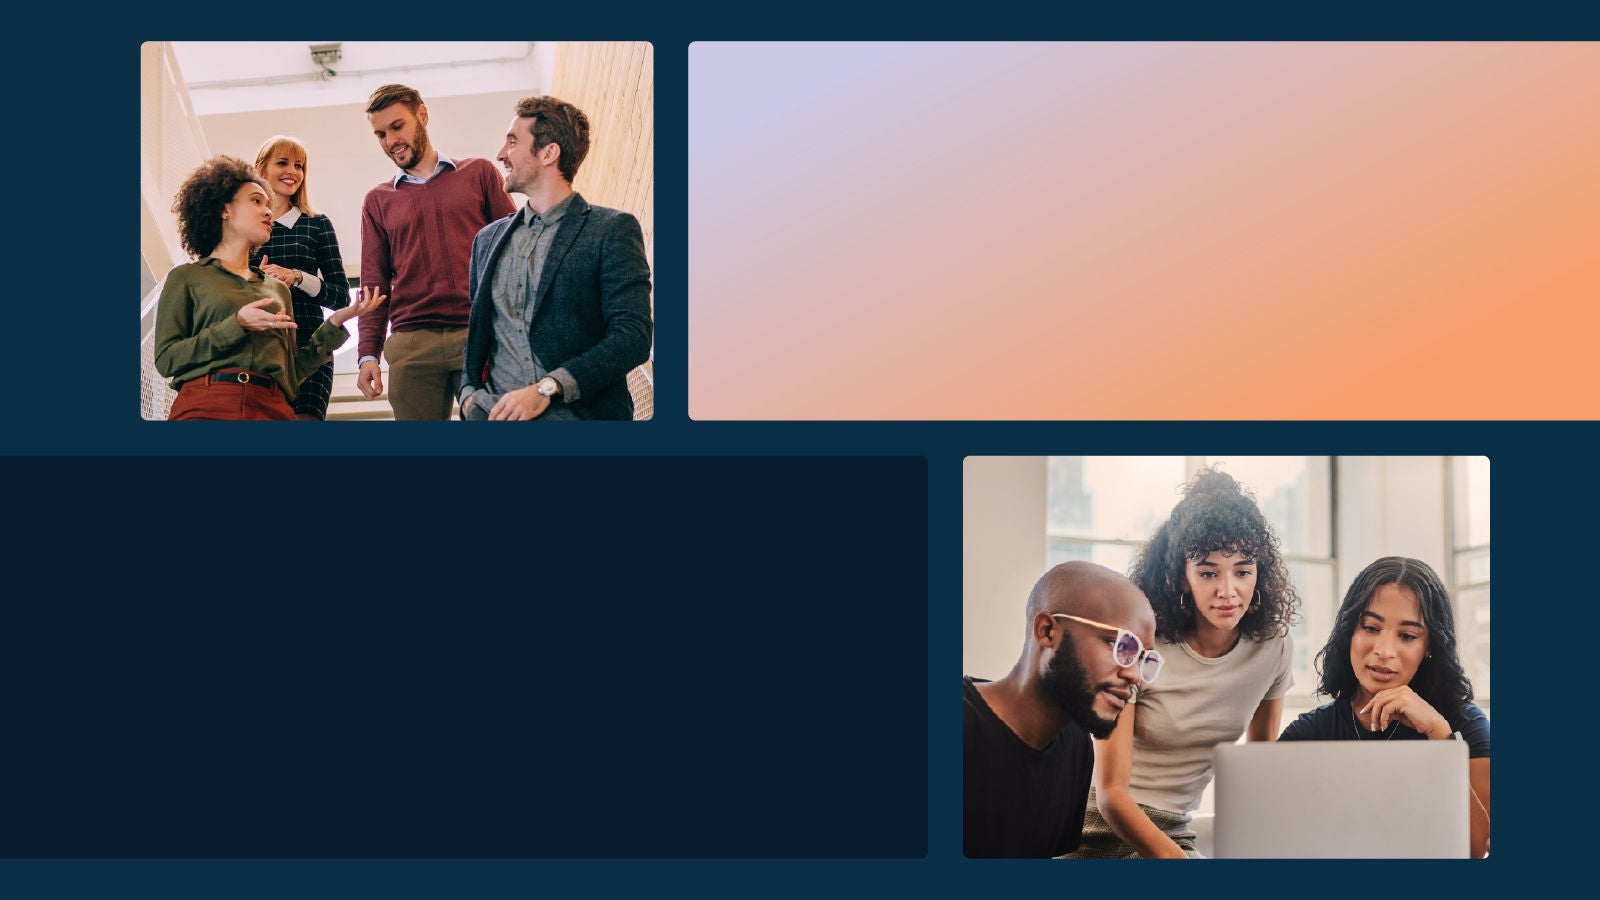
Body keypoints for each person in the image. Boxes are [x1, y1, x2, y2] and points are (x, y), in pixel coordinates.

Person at [1069, 468, 1299, 858]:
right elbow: (1111, 796)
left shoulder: (1273, 649)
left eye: (1243, 571)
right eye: (1208, 573)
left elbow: (1260, 773)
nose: (1228, 591)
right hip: (1098, 827)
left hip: (1175, 830)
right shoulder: (1142, 645)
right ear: (1180, 577)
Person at [1280, 556, 1490, 858]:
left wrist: (1440, 737)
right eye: (1370, 627)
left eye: (1407, 636)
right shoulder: (1309, 732)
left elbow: (1477, 849)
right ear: (1349, 631)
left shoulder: (1464, 724)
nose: (1384, 651)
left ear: (1429, 646)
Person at [460, 95, 653, 421]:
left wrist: (549, 387)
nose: (501, 155)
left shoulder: (611, 229)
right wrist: (468, 396)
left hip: (579, 415)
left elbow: (632, 335)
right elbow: (478, 332)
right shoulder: (486, 241)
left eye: (512, 142)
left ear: (549, 153)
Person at [154, 156, 383, 420]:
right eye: (256, 201)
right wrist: (236, 324)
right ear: (224, 209)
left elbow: (290, 373)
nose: (268, 211)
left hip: (272, 410)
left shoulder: (278, 290)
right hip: (205, 406)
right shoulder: (186, 277)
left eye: (268, 205)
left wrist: (334, 324)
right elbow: (167, 359)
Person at [964, 561, 1160, 858]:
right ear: (1046, 631)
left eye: (1143, 658)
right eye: (1119, 645)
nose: (1134, 675)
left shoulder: (1076, 746)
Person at [357, 84, 516, 419]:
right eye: (380, 134)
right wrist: (368, 353)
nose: (390, 141)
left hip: (479, 334)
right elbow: (374, 283)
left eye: (397, 126)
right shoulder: (377, 201)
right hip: (411, 345)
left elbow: (514, 251)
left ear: (423, 116)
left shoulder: (479, 173)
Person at [248, 135, 351, 420]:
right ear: (261, 170)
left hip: (310, 343)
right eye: (282, 163)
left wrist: (296, 277)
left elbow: (341, 296)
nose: (292, 172)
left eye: (299, 165)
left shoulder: (316, 224)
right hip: (258, 347)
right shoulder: (246, 225)